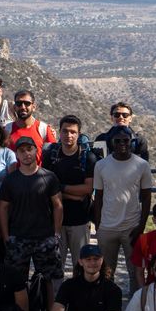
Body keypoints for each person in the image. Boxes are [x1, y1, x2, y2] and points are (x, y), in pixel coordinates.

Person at [0, 136, 63, 311]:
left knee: (48, 279)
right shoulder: (11, 180)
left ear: (36, 151)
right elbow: (3, 208)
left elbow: (58, 205)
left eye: (29, 149)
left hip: (45, 237)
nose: (26, 154)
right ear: (17, 154)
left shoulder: (49, 177)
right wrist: (5, 236)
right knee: (18, 281)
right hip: (18, 238)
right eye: (22, 150)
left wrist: (56, 234)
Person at [92, 124, 153, 288]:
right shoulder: (101, 165)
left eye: (126, 140)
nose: (122, 144)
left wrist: (141, 226)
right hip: (107, 227)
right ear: (111, 142)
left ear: (132, 142)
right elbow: (98, 197)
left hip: (131, 227)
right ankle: (106, 307)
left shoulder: (142, 165)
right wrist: (98, 225)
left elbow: (147, 197)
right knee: (106, 273)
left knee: (136, 273)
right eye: (117, 140)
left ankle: (135, 308)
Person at [43, 115, 98, 276]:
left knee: (80, 266)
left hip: (80, 221)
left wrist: (60, 189)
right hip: (55, 223)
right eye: (65, 131)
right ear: (59, 132)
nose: (69, 135)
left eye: (73, 132)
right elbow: (46, 187)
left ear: (79, 134)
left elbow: (88, 189)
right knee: (55, 267)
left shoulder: (88, 158)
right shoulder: (50, 156)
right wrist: (73, 194)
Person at [4, 90, 56, 163]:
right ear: (15, 107)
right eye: (19, 103)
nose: (23, 107)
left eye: (27, 103)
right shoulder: (7, 130)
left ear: (33, 107)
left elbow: (53, 155)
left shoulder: (44, 129)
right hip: (13, 174)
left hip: (38, 173)